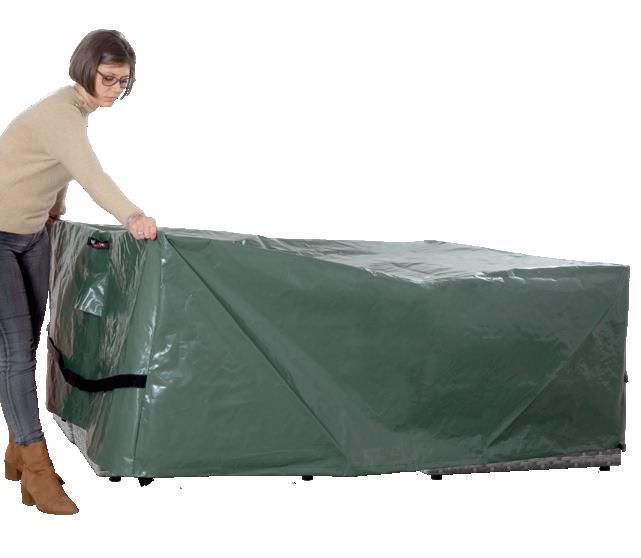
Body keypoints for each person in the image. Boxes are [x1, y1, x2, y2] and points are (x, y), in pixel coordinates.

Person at [0, 29, 157, 515]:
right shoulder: (60, 113)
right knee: (14, 357)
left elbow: (57, 166)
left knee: (25, 348)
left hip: (31, 234)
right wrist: (132, 216)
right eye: (108, 78)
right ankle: (37, 467)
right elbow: (90, 172)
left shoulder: (75, 114)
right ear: (86, 68)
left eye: (123, 82)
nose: (115, 89)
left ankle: (15, 452)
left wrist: (56, 207)